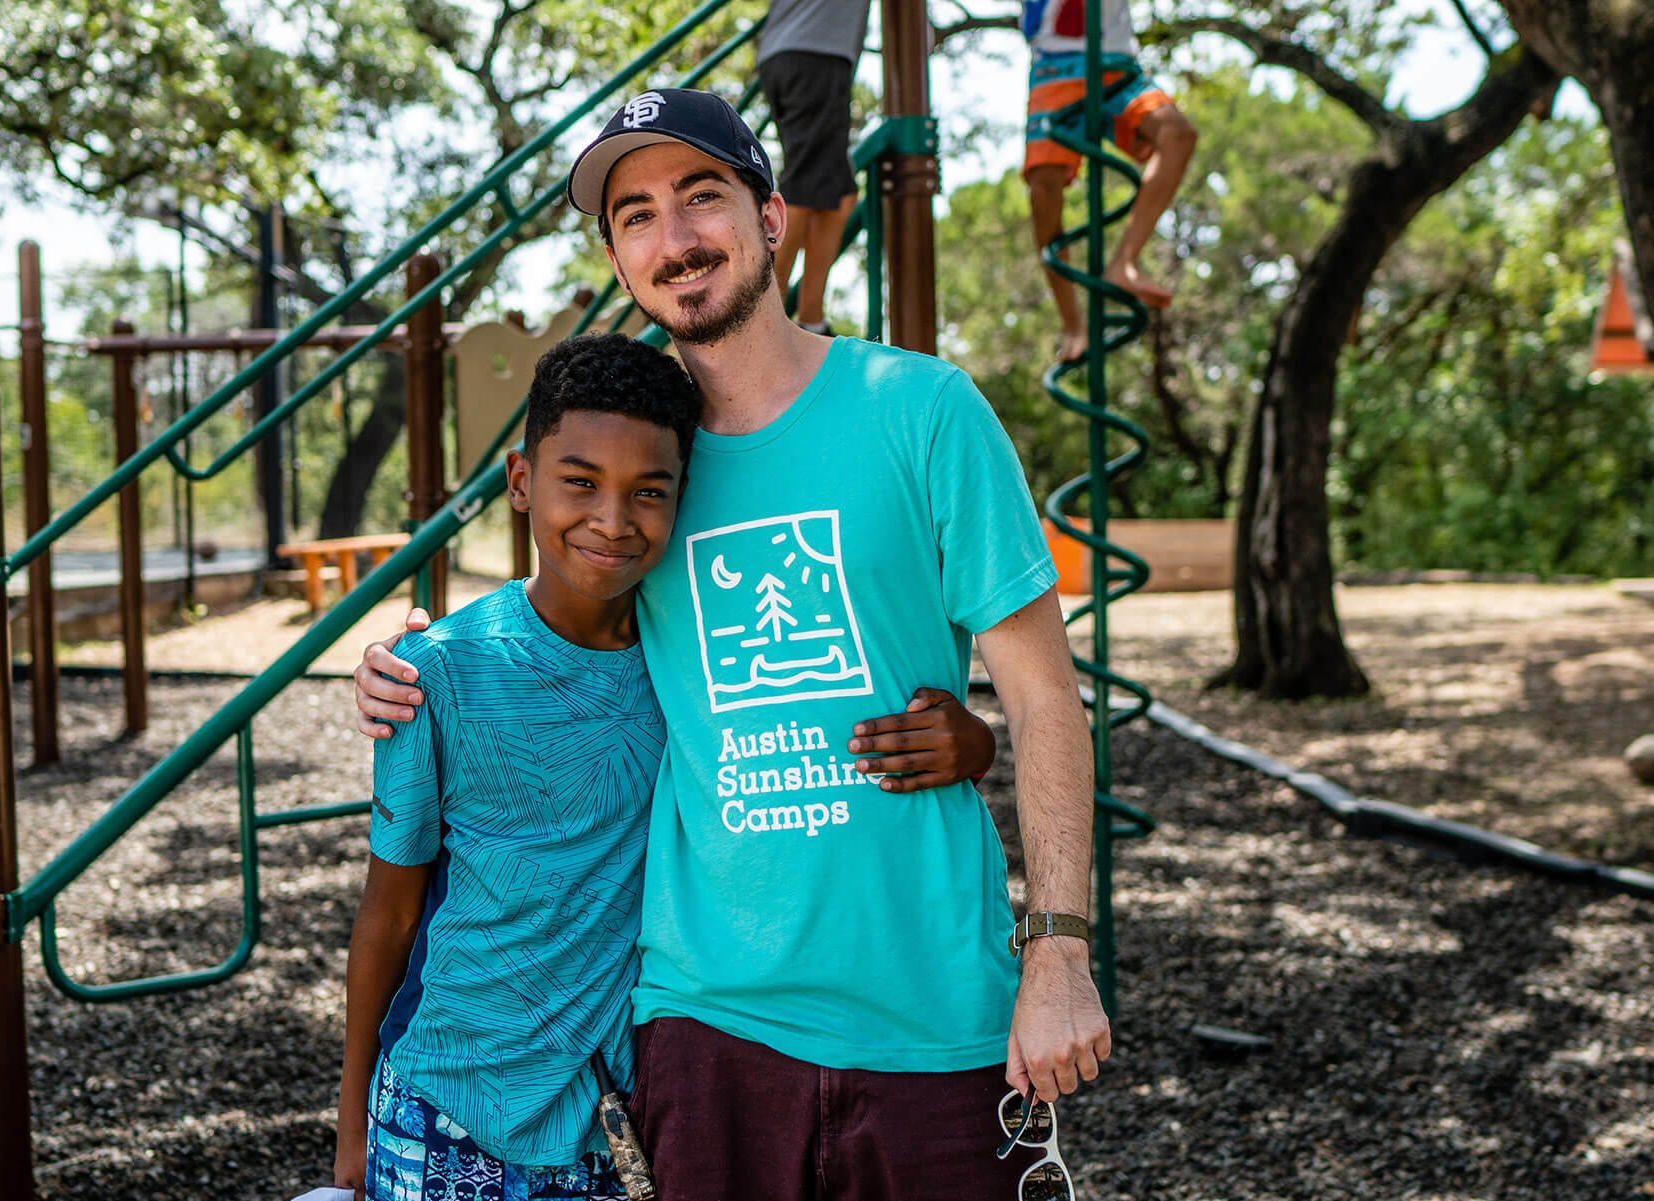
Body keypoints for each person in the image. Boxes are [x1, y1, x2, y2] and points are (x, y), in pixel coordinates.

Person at [356, 89, 1110, 1199]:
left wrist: (1057, 951)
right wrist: (401, 656)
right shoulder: (641, 472)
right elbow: (546, 624)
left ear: (770, 217)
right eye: (637, 216)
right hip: (705, 1024)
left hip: (934, 1012)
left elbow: (1047, 698)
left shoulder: (922, 409)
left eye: (701, 196)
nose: (676, 238)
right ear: (618, 257)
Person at [334, 332, 996, 1200]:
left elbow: (818, 728)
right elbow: (388, 914)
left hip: (613, 1119)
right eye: (580, 482)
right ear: (521, 480)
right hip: (445, 1102)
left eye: (648, 492)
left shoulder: (691, 655)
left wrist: (974, 741)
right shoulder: (438, 675)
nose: (613, 519)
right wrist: (349, 1132)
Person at [1022, 0, 1196, 362]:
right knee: (1043, 190)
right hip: (1056, 62)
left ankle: (1124, 262)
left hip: (1116, 65)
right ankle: (1073, 323)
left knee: (1176, 133)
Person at [757, 0, 867, 335]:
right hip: (816, 52)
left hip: (791, 51)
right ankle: (762, 322)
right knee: (804, 190)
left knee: (842, 193)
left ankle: (812, 319)